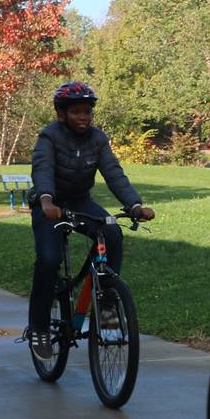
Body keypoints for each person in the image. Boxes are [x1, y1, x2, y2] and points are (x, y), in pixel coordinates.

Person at [27, 82, 154, 355]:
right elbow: (43, 169)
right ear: (62, 113)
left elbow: (114, 173)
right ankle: (38, 327)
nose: (83, 117)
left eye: (87, 112)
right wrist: (46, 199)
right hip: (48, 203)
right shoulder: (49, 137)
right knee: (49, 261)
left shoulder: (98, 139)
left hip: (80, 201)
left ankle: (107, 307)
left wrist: (134, 205)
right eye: (76, 112)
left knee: (112, 232)